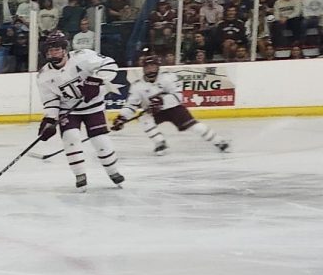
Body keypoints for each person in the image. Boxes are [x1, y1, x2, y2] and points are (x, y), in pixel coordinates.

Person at [35, 31, 123, 191]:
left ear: (64, 49)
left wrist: (95, 81)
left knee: (100, 141)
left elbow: (111, 65)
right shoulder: (43, 76)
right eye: (50, 50)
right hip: (69, 109)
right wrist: (49, 120)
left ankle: (113, 171)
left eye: (57, 49)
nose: (53, 52)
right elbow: (51, 100)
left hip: (94, 106)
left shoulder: (83, 56)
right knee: (71, 138)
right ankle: (79, 175)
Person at [112, 55, 229, 154]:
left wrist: (162, 101)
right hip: (153, 111)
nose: (150, 69)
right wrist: (121, 118)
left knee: (193, 126)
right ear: (143, 69)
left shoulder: (168, 77)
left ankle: (218, 141)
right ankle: (160, 142)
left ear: (158, 67)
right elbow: (131, 105)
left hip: (174, 109)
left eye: (153, 66)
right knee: (144, 119)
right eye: (147, 67)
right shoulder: (137, 86)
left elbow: (179, 96)